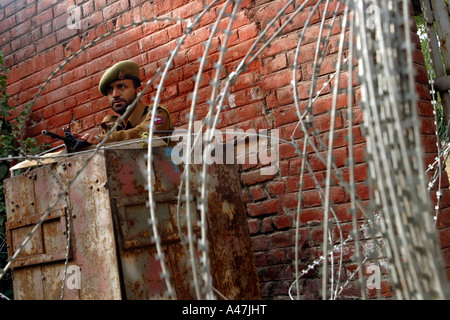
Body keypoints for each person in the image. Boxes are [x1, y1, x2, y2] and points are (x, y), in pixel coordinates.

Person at [81, 60, 173, 145]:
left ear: (138, 91)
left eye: (121, 87)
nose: (115, 94)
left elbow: (140, 133)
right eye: (110, 90)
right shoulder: (111, 129)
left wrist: (101, 140)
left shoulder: (157, 114)